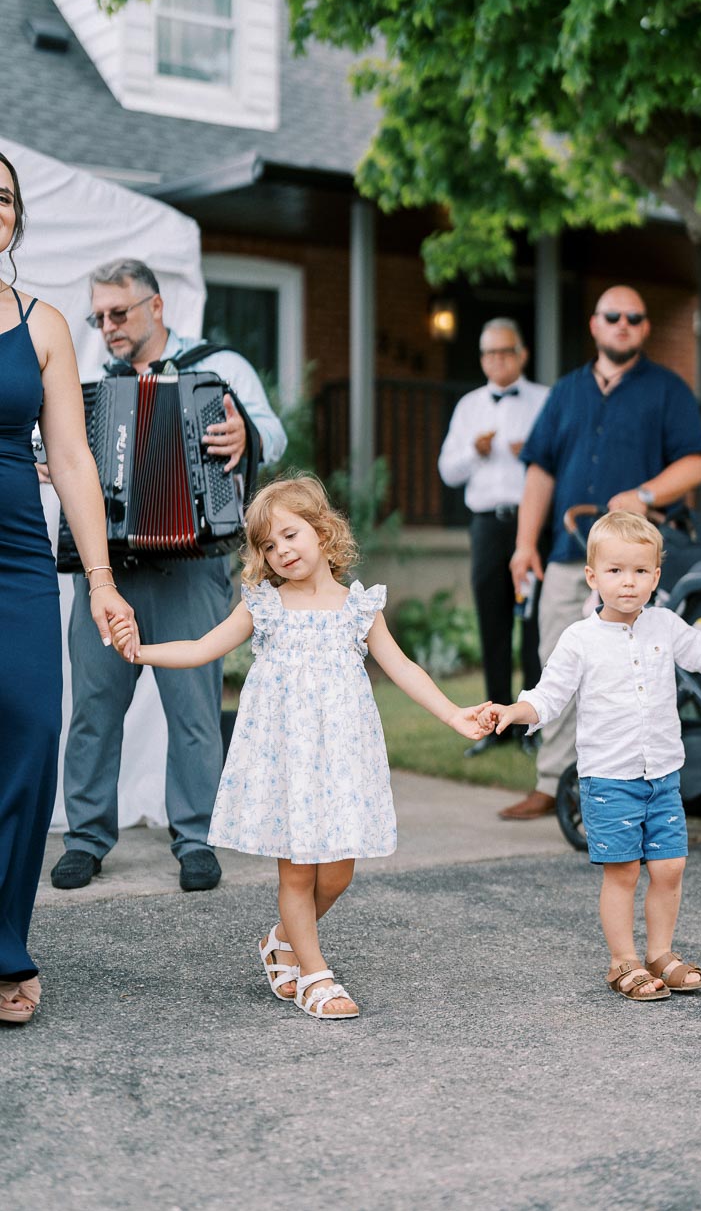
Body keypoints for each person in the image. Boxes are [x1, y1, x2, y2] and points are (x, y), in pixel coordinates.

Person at [109, 474, 491, 1019]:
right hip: (285, 758)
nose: (281, 550)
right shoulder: (265, 606)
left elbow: (402, 667)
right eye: (268, 544)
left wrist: (454, 713)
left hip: (341, 757)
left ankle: (282, 942)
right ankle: (316, 976)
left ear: (322, 531)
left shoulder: (359, 608)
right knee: (296, 872)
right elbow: (201, 648)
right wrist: (140, 652)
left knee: (337, 873)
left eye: (290, 534)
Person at [50, 258, 287, 894]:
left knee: (193, 711)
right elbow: (59, 446)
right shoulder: (87, 378)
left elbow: (273, 432)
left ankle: (196, 840)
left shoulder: (221, 366)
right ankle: (87, 839)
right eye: (99, 317)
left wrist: (245, 436)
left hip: (193, 565)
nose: (107, 328)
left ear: (156, 307)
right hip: (109, 570)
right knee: (95, 709)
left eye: (119, 313)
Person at [481, 512, 701, 1000]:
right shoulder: (580, 640)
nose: (628, 582)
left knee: (669, 868)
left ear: (655, 576)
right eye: (615, 571)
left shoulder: (664, 624)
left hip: (663, 776)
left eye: (639, 571)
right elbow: (548, 698)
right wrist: (512, 711)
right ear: (592, 577)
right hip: (610, 780)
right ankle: (622, 961)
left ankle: (661, 953)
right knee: (623, 871)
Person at [0, 153, 137, 1025]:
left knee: (28, 736)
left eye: (4, 196)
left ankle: (5, 946)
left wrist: (99, 578)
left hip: (15, 559)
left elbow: (77, 460)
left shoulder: (42, 322)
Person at [503, 284, 701, 819]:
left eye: (634, 318)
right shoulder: (567, 391)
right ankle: (551, 785)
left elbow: (694, 464)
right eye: (612, 315)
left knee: (625, 673)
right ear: (594, 324)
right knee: (555, 663)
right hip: (569, 559)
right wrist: (526, 544)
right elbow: (540, 471)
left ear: (643, 328)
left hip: (631, 570)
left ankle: (617, 787)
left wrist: (644, 495)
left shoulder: (667, 389)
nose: (623, 324)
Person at [438, 318, 549, 755]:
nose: (497, 360)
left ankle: (532, 727)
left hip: (533, 523)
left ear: (522, 355)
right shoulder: (468, 406)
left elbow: (558, 458)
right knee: (493, 621)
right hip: (486, 524)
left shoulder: (544, 400)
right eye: (489, 353)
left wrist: (534, 453)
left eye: (505, 352)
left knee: (534, 624)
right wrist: (474, 452)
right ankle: (496, 726)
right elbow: (448, 470)